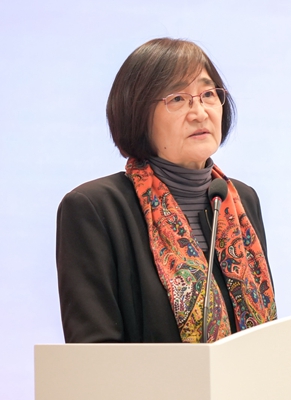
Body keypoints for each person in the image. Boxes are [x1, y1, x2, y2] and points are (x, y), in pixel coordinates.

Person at [56, 38, 277, 343]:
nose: (199, 112)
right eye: (178, 98)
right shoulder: (94, 208)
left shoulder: (238, 200)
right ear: (137, 113)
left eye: (208, 94)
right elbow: (94, 353)